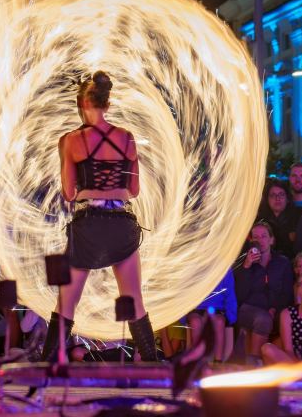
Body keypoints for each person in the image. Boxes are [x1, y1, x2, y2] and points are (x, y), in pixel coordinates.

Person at [40, 71, 157, 362]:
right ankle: (154, 366)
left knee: (67, 302)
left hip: (89, 226)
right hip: (122, 225)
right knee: (134, 301)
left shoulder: (71, 141)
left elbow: (68, 192)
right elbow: (134, 189)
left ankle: (46, 365)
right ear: (107, 103)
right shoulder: (127, 138)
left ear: (81, 103)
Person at [234, 221, 293, 364]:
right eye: (255, 237)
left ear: (271, 240)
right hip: (247, 310)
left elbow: (287, 293)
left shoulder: (282, 263)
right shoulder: (244, 264)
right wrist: (247, 266)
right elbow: (239, 296)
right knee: (263, 319)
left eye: (263, 236)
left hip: (275, 309)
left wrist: (274, 308)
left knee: (268, 318)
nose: (259, 240)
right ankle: (255, 364)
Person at [186, 270, 236, 363]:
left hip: (216, 308)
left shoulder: (224, 268)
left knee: (219, 322)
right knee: (195, 322)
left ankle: (218, 361)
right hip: (196, 308)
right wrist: (183, 318)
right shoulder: (194, 266)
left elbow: (230, 294)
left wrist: (231, 317)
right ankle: (197, 362)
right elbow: (185, 291)